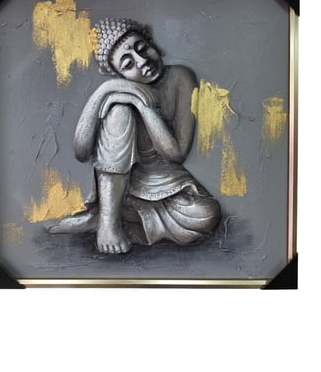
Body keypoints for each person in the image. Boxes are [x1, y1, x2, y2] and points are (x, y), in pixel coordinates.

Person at [48, 18, 221, 253]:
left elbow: (176, 154)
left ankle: (110, 218)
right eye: (128, 64)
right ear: (119, 74)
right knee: (119, 110)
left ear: (153, 44)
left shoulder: (181, 78)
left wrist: (145, 107)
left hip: (165, 180)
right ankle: (108, 223)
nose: (142, 61)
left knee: (207, 214)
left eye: (142, 48)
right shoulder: (118, 92)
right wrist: (105, 90)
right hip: (121, 186)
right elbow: (81, 151)